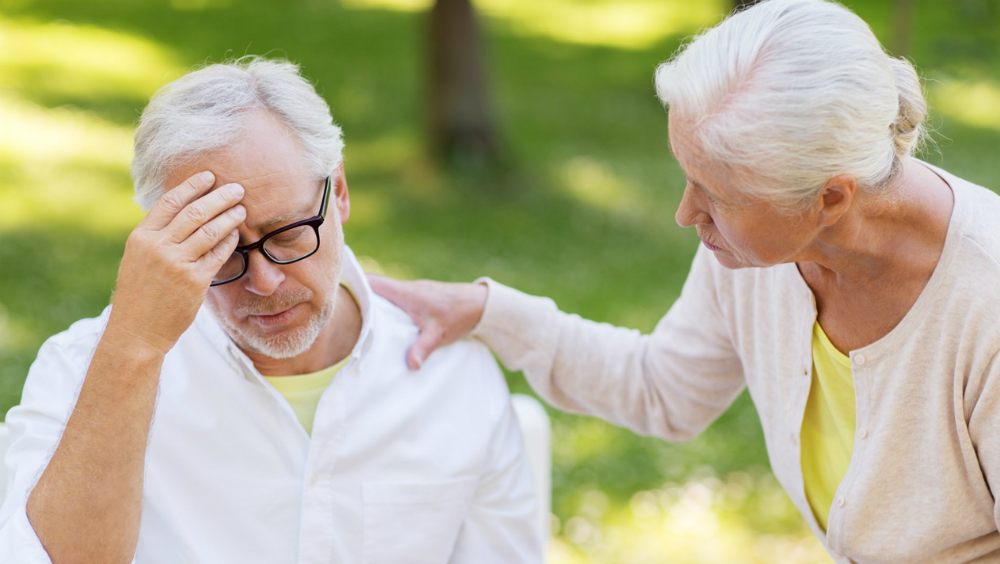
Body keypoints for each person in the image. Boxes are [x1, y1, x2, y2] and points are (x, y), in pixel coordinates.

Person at [368, 0, 1000, 562]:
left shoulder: (985, 303)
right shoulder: (760, 254)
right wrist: (487, 311)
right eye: (688, 177)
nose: (685, 213)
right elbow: (665, 390)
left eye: (715, 195)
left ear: (830, 198)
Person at [0, 57, 543, 564]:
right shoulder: (83, 370)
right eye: (220, 250)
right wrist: (135, 347)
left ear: (341, 192)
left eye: (287, 234)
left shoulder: (454, 374)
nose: (264, 281)